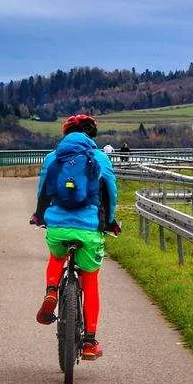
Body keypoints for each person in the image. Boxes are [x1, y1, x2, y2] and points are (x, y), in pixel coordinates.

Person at [29, 114, 120, 360]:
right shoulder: (100, 158)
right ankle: (90, 341)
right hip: (89, 227)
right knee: (90, 280)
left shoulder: (53, 158)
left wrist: (40, 216)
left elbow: (43, 191)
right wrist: (110, 221)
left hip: (58, 225)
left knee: (56, 255)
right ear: (91, 135)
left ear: (66, 135)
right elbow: (110, 192)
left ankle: (50, 291)